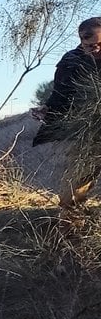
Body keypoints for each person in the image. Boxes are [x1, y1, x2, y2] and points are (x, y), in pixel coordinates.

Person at [33, 17, 101, 219]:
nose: (95, 49)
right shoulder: (71, 61)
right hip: (87, 130)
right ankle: (70, 229)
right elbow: (60, 94)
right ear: (81, 40)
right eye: (89, 45)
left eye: (100, 44)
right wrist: (47, 109)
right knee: (76, 183)